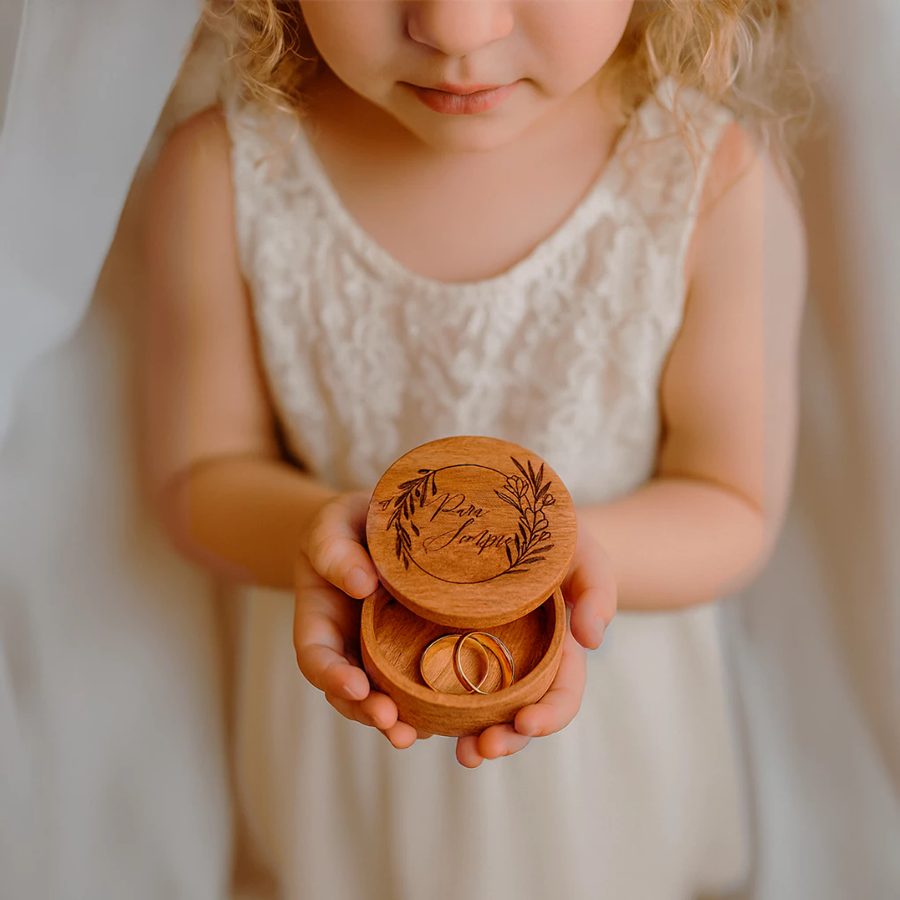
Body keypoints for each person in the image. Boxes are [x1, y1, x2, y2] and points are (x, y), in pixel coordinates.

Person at [139, 2, 809, 897]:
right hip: (350, 745)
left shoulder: (708, 181)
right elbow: (195, 480)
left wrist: (558, 563)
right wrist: (328, 538)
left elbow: (734, 503)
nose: (457, 29)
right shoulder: (225, 172)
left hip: (600, 763)